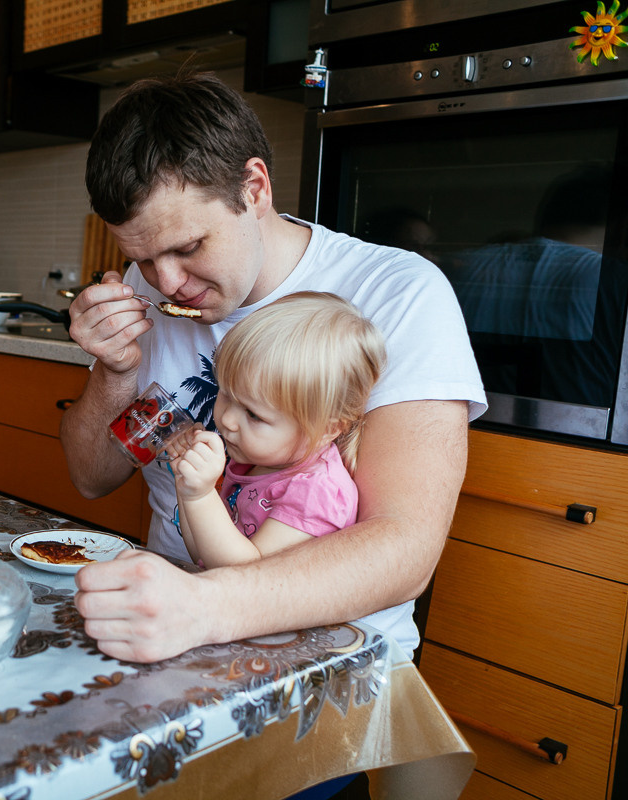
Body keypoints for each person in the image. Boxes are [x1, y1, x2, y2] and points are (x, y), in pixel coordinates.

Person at [61, 72, 486, 664]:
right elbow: (92, 477)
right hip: (167, 633)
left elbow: (405, 550)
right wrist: (114, 370)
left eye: (188, 248)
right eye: (140, 259)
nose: (167, 283)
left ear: (254, 188)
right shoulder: (145, 289)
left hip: (330, 660)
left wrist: (204, 606)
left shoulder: (398, 293)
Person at [167, 292, 384, 580]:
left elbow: (247, 577)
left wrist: (202, 495)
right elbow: (205, 556)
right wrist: (187, 486)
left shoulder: (316, 492)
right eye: (226, 394)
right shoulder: (256, 461)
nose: (228, 420)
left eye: (254, 415)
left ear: (329, 429)